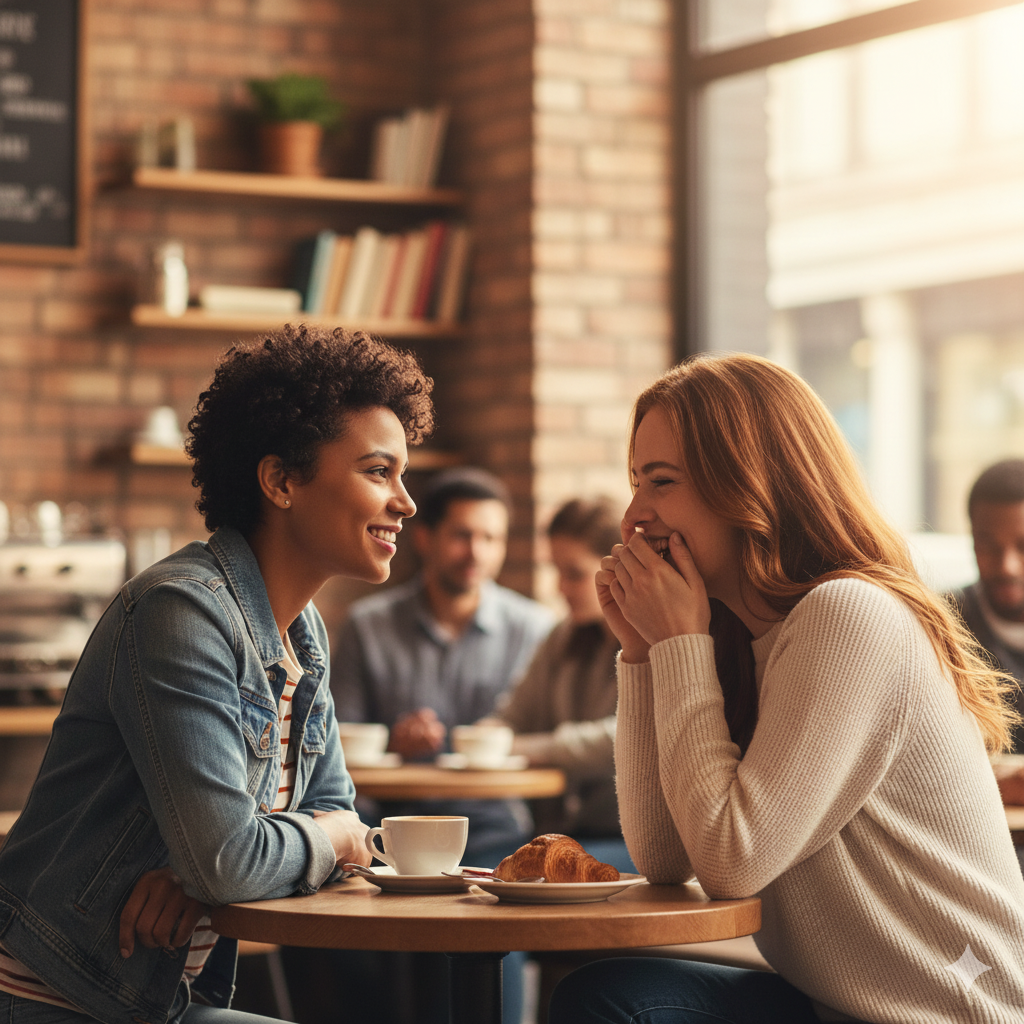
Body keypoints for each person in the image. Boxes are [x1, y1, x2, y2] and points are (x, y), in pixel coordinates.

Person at [550, 353, 1024, 1024]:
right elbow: (663, 857)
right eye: (635, 483)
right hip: (830, 1004)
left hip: (944, 1011)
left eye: (660, 482)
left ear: (748, 485)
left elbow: (731, 863)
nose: (633, 517)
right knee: (606, 996)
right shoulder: (741, 642)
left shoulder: (848, 615)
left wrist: (679, 645)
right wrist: (642, 652)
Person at [0, 325, 433, 1024]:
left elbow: (320, 821)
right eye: (379, 471)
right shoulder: (181, 612)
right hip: (52, 997)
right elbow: (304, 843)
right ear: (281, 480)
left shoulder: (303, 635)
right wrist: (237, 862)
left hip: (151, 1001)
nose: (406, 502)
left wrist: (196, 875)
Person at [332, 466, 554, 862]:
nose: (477, 553)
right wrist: (393, 742)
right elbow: (338, 742)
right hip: (388, 830)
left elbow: (547, 738)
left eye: (491, 538)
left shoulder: (535, 630)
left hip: (500, 832)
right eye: (462, 535)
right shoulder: (367, 626)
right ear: (423, 538)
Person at [488, 496, 633, 872]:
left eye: (574, 573)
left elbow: (629, 735)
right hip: (559, 834)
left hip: (627, 836)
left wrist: (530, 748)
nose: (560, 587)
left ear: (616, 567)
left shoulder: (649, 639)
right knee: (475, 864)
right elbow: (512, 716)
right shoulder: (561, 638)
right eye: (556, 570)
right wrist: (484, 739)